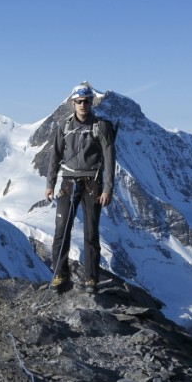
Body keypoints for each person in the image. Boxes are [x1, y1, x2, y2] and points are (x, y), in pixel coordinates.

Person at [45, 82, 116, 293]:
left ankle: (91, 279)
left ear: (91, 103)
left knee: (91, 232)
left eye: (86, 101)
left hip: (93, 182)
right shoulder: (64, 126)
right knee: (61, 230)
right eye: (79, 102)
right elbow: (55, 156)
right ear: (73, 103)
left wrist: (108, 189)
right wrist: (50, 184)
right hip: (68, 182)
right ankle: (59, 274)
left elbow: (109, 159)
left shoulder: (101, 126)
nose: (82, 105)